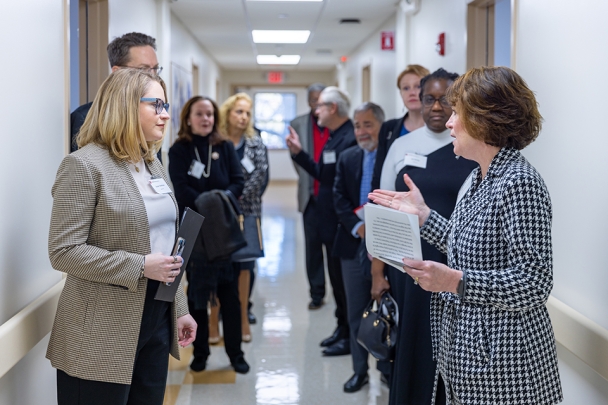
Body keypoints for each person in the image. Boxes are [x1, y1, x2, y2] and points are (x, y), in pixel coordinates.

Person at [369, 66, 563, 404]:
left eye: (457, 113)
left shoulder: (518, 182)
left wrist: (455, 281)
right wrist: (424, 216)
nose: (447, 122)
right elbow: (466, 244)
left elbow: (534, 281)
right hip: (470, 360)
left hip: (506, 367)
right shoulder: (478, 178)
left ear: (485, 120)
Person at [47, 69, 196, 405]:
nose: (166, 114)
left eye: (166, 104)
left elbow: (167, 245)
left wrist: (180, 308)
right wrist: (141, 265)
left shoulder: (151, 164)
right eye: (156, 104)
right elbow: (63, 251)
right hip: (101, 326)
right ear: (126, 106)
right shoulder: (84, 166)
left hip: (156, 316)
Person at [373, 68, 479, 405]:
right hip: (408, 266)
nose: (436, 107)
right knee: (413, 342)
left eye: (445, 100)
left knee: (447, 350)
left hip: (456, 267)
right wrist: (379, 269)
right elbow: (383, 205)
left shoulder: (472, 151)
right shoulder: (402, 145)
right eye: (429, 99)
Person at [168, 95, 250, 374]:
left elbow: (238, 181)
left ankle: (236, 353)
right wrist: (210, 204)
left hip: (225, 230)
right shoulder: (179, 150)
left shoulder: (224, 146)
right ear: (188, 119)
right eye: (200, 114)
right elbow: (181, 190)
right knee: (198, 298)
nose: (206, 119)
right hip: (196, 231)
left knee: (230, 297)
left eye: (210, 114)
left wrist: (217, 202)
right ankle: (200, 353)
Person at [286, 86, 357, 356]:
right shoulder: (335, 136)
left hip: (341, 224)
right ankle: (342, 328)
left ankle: (349, 336)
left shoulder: (348, 138)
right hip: (328, 219)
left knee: (342, 282)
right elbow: (322, 175)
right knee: (336, 280)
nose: (316, 111)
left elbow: (342, 188)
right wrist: (298, 153)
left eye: (320, 107)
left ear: (333, 108)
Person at [332, 102, 384, 392]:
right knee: (355, 312)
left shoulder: (390, 156)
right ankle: (359, 370)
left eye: (368, 125)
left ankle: (387, 369)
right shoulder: (348, 156)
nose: (361, 131)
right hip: (353, 245)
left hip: (388, 248)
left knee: (389, 311)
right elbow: (338, 197)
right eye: (357, 125)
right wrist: (358, 227)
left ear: (380, 126)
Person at [217, 93, 269, 343]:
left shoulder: (255, 142)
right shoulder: (216, 140)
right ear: (228, 112)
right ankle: (217, 316)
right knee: (220, 262)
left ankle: (242, 314)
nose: (243, 117)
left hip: (247, 211)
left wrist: (236, 197)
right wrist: (224, 199)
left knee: (245, 265)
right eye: (238, 111)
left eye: (247, 113)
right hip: (218, 212)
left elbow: (260, 174)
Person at [70, 32, 162, 152]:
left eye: (155, 68)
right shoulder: (86, 118)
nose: (152, 76)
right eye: (143, 69)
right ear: (117, 72)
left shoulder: (154, 114)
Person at [289, 83, 329, 311]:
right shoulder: (298, 124)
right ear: (308, 101)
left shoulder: (335, 124)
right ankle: (317, 293)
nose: (317, 104)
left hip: (332, 198)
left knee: (333, 251)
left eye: (321, 100)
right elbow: (297, 161)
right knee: (312, 250)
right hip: (310, 197)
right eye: (313, 99)